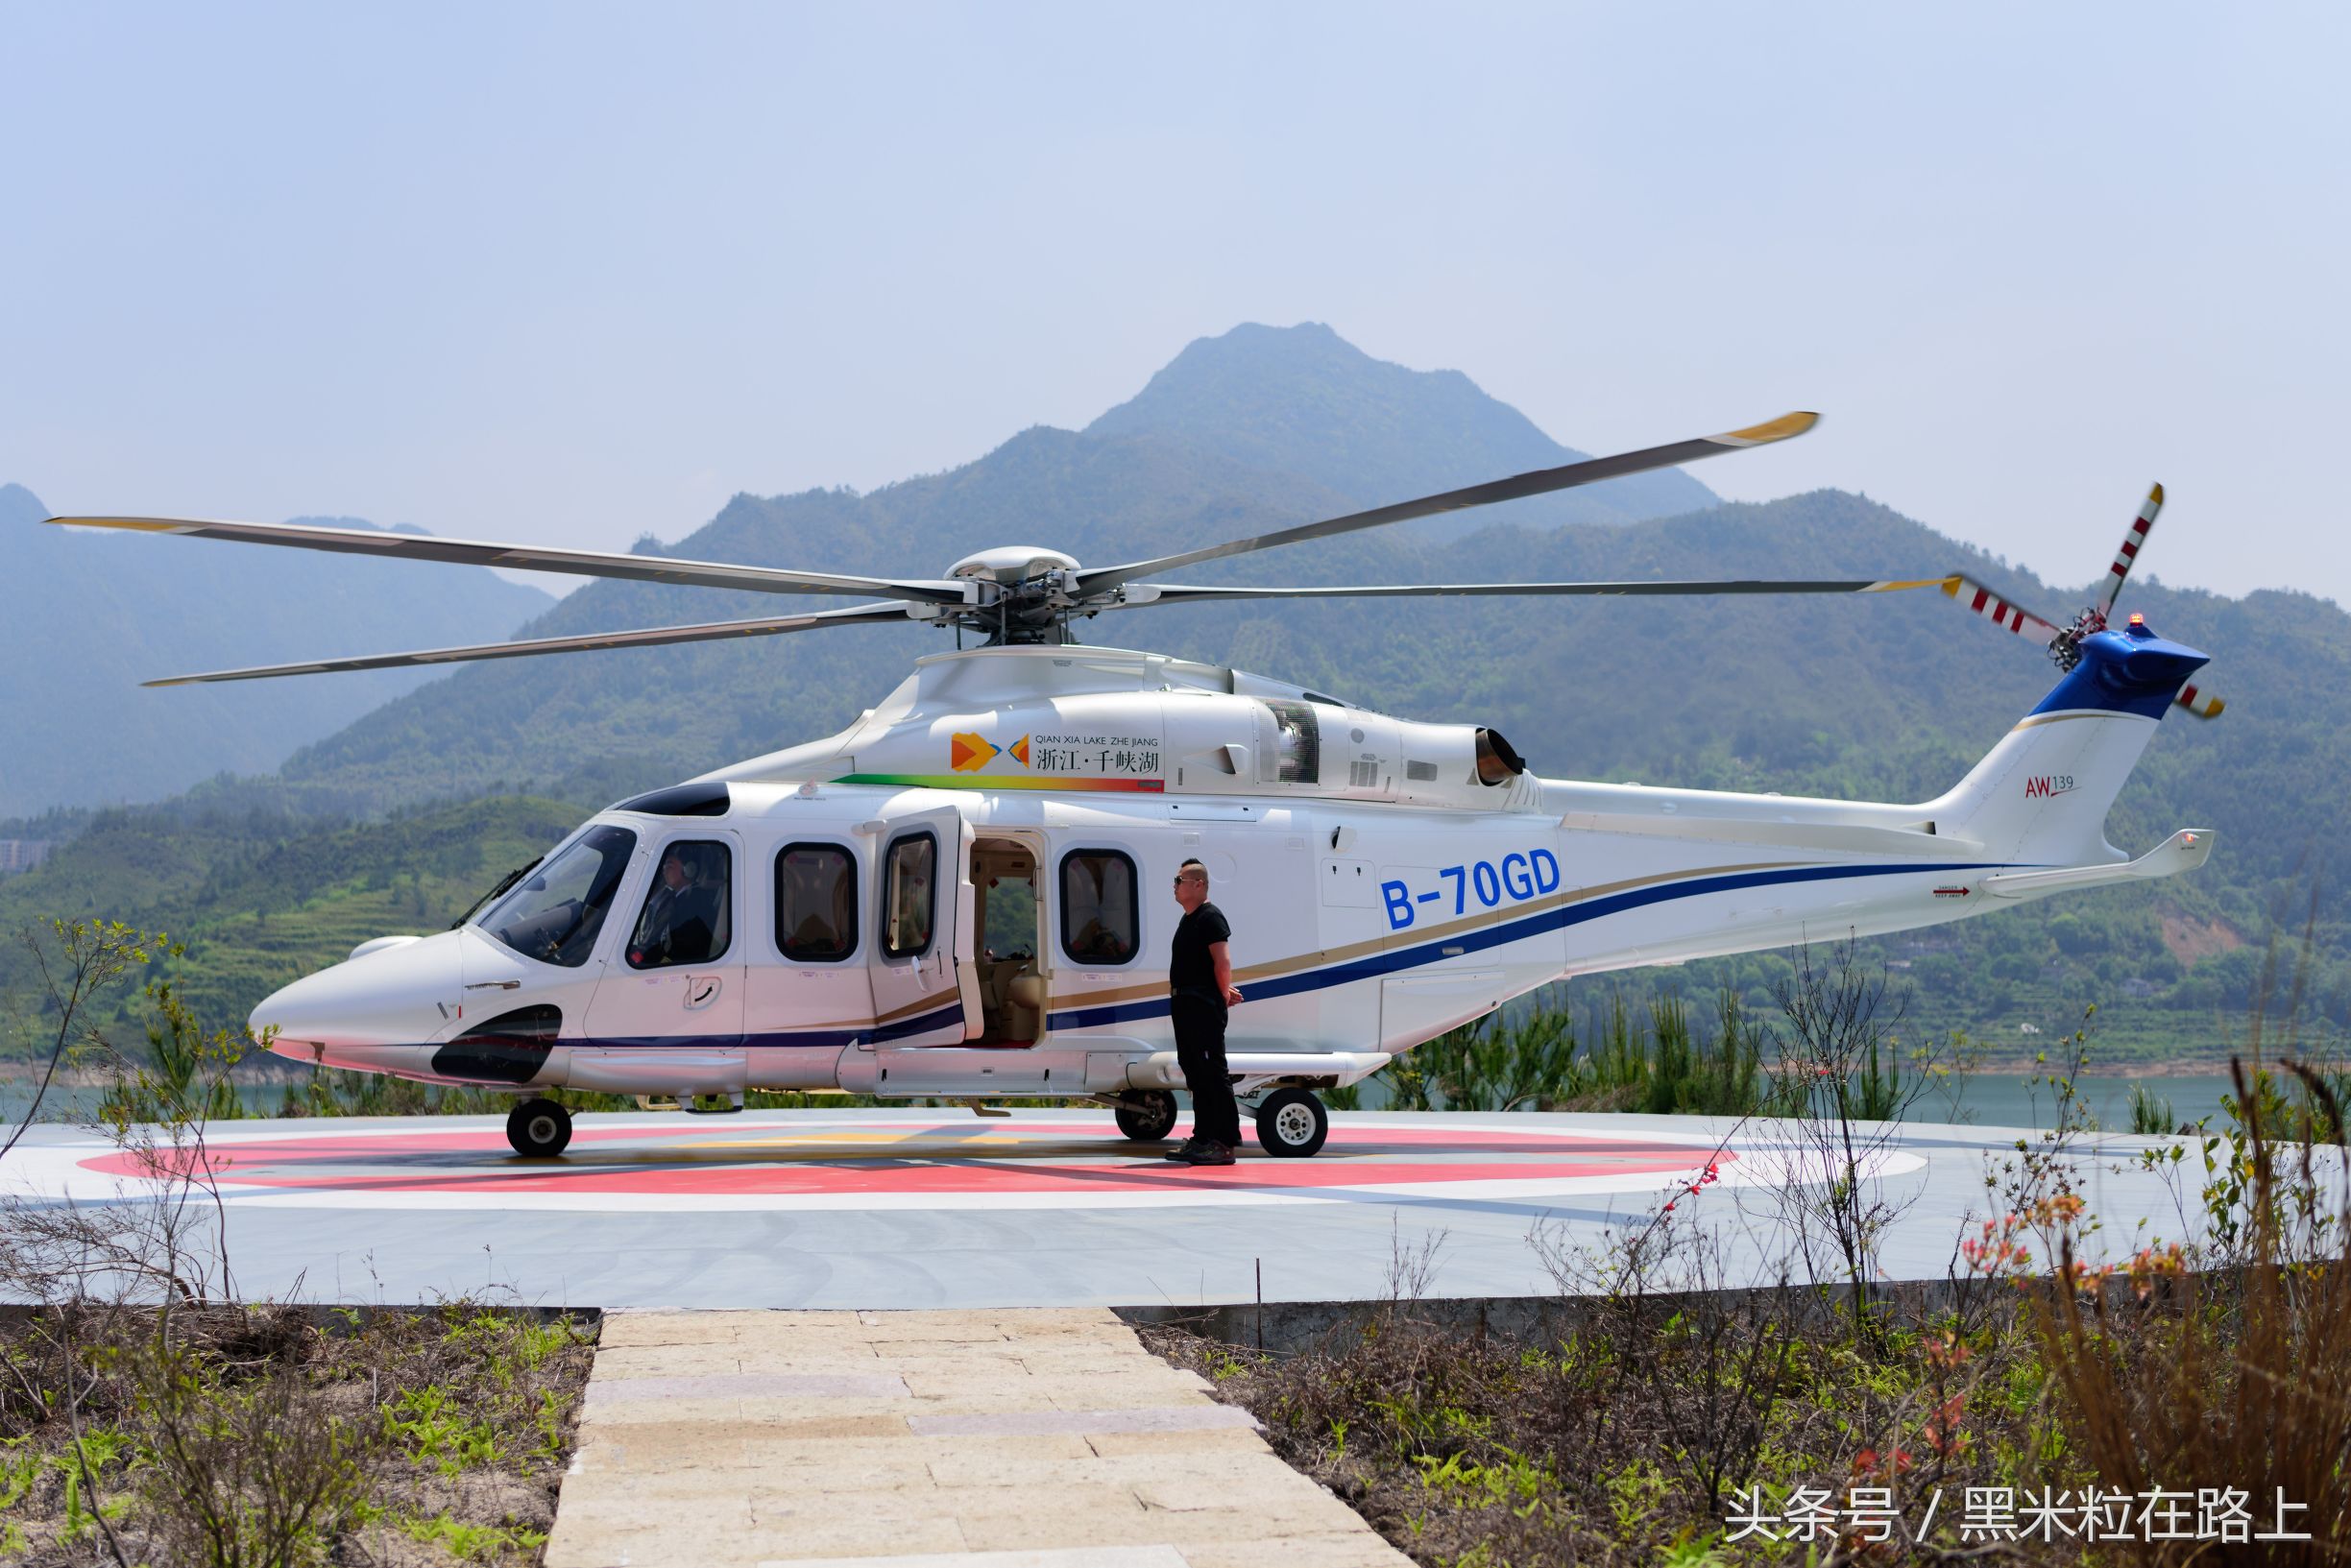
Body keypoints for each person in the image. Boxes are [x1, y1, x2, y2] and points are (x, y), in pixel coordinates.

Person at [1165, 858, 1244, 1165]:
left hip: (1202, 1007)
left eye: (1179, 879)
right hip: (1186, 1005)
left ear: (1198, 884)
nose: (1174, 885)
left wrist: (1222, 993)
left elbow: (1222, 962)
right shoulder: (1189, 919)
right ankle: (1202, 1138)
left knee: (1212, 1073)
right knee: (1195, 1071)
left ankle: (1223, 1143)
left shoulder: (1211, 917)